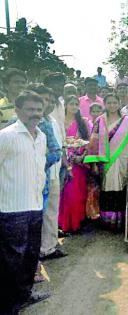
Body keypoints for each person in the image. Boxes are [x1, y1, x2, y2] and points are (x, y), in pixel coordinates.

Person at [0, 91, 50, 313]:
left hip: (35, 206)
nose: (35, 114)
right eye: (30, 109)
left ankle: (24, 295)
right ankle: (8, 306)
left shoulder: (41, 137)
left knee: (30, 255)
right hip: (11, 209)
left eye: (38, 110)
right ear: (18, 110)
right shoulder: (6, 136)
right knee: (11, 261)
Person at [85, 94, 128, 230]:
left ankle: (123, 220)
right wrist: (94, 163)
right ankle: (108, 220)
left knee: (123, 187)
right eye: (109, 103)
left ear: (119, 103)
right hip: (106, 160)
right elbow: (94, 142)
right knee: (108, 187)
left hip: (123, 157)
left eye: (114, 102)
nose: (112, 105)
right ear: (104, 104)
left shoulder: (127, 120)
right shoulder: (100, 121)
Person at [26, 84, 66, 261]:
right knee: (36, 214)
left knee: (51, 211)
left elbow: (59, 145)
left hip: (54, 173)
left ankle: (49, 247)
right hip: (38, 175)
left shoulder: (52, 120)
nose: (48, 103)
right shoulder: (33, 122)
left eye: (50, 100)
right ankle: (38, 251)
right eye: (44, 99)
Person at [58, 95, 92, 233]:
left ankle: (78, 222)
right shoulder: (59, 122)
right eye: (71, 104)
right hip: (63, 161)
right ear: (65, 105)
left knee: (78, 193)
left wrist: (82, 156)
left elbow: (89, 141)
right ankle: (65, 223)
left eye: (76, 104)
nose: (74, 106)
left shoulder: (83, 122)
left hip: (79, 164)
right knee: (65, 194)